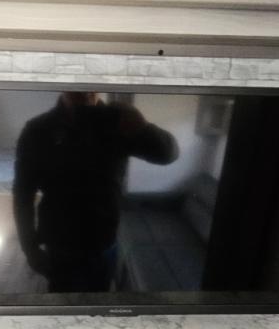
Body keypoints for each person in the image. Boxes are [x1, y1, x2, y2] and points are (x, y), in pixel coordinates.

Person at [12, 91, 178, 292]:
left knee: (99, 302)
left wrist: (143, 127)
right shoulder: (38, 129)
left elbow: (167, 155)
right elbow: (23, 193)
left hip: (104, 241)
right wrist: (29, 248)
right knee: (63, 304)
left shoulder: (118, 120)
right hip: (60, 244)